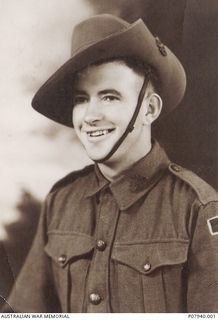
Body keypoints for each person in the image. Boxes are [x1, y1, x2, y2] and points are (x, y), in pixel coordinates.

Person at [6, 14, 218, 313]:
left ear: (149, 109)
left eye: (109, 97)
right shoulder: (61, 202)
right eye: (81, 99)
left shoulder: (196, 207)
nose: (90, 115)